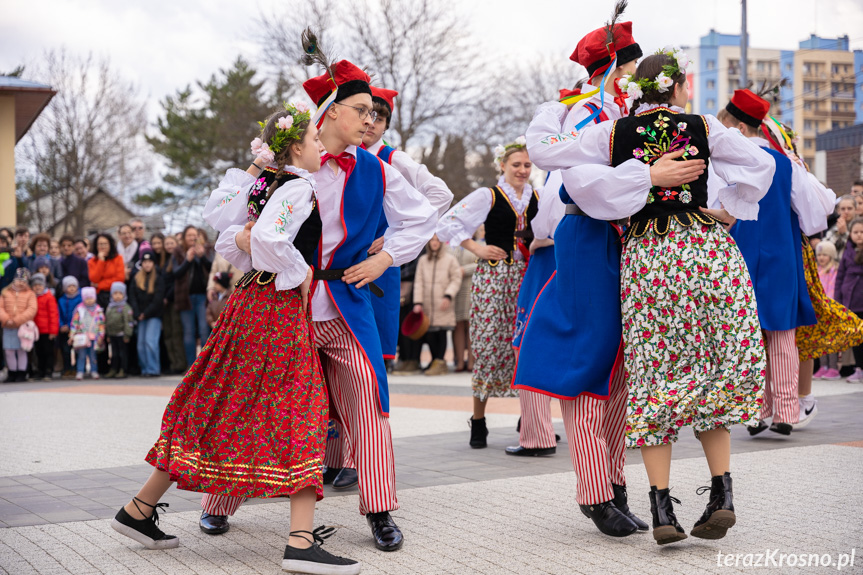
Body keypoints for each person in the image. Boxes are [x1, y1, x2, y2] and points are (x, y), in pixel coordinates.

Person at [111, 100, 361, 575]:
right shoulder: (301, 188)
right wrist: (301, 270)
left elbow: (229, 235)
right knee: (302, 410)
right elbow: (265, 242)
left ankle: (140, 509)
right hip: (275, 312)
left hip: (248, 303)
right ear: (294, 147)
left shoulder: (265, 182)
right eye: (312, 142)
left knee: (217, 403)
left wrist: (253, 245)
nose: (318, 150)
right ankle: (301, 543)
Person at [556, 49, 778, 544]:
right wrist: (726, 204)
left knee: (656, 376)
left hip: (650, 260)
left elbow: (562, 159)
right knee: (711, 371)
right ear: (679, 89)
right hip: (706, 253)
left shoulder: (612, 133)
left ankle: (661, 508)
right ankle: (722, 493)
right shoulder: (704, 125)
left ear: (635, 95)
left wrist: (633, 177)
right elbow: (760, 166)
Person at [513, 15, 720, 539]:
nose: (637, 82)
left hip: (638, 240)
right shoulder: (583, 113)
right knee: (587, 362)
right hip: (591, 237)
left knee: (625, 363)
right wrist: (648, 176)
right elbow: (582, 186)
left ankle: (615, 483)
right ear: (617, 69)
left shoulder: (633, 115)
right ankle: (596, 491)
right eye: (631, 69)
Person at [721, 89, 830, 437]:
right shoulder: (787, 164)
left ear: (738, 125)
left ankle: (756, 411)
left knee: (748, 335)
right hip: (782, 256)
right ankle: (786, 410)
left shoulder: (726, 162)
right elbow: (814, 218)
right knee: (783, 333)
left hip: (739, 256)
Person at [437, 136, 538, 448]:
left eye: (527, 165)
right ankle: (478, 420)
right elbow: (447, 223)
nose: (522, 170)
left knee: (527, 346)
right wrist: (475, 247)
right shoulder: (489, 195)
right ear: (503, 166)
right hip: (494, 279)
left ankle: (531, 421)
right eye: (516, 165)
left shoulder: (537, 195)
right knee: (488, 343)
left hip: (527, 277)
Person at [362, 85, 453, 364]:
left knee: (374, 354)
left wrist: (395, 234)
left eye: (379, 118)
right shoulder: (343, 154)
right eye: (366, 114)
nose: (371, 123)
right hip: (344, 260)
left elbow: (441, 194)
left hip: (381, 262)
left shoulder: (394, 159)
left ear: (386, 125)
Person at [411, 235, 462, 375]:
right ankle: (434, 361)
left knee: (442, 332)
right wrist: (418, 302)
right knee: (429, 333)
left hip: (443, 303)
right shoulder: (423, 260)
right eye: (432, 240)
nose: (434, 243)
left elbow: (456, 278)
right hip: (427, 304)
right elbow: (419, 282)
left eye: (437, 240)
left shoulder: (450, 260)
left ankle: (440, 361)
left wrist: (448, 295)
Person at [172, 225, 213, 366]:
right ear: (184, 238)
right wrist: (187, 260)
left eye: (194, 235)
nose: (192, 238)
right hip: (185, 297)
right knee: (188, 332)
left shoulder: (206, 249)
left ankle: (203, 365)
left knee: (203, 330)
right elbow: (176, 273)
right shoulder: (178, 251)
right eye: (189, 235)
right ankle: (191, 365)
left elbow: (211, 268)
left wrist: (201, 257)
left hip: (202, 296)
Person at [834, 218, 863, 384]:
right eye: (856, 232)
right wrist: (839, 299)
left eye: (862, 232)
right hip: (851, 301)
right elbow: (840, 277)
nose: (859, 236)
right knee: (857, 338)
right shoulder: (848, 251)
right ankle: (858, 368)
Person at [130, 250, 165, 377]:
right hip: (140, 316)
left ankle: (153, 369)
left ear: (153, 263)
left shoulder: (158, 278)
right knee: (141, 344)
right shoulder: (137, 278)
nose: (147, 264)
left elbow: (158, 299)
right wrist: (138, 313)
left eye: (150, 262)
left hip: (153, 316)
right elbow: (132, 296)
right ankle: (145, 369)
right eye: (145, 262)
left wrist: (146, 313)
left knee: (151, 342)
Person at [1, 268, 37, 382]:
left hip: (22, 327)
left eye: (24, 280)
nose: (21, 282)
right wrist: (6, 319)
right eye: (19, 280)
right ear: (14, 280)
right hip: (7, 326)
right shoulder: (5, 293)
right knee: (9, 350)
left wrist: (17, 320)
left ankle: (22, 373)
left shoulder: (30, 294)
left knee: (22, 350)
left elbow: (32, 309)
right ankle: (12, 372)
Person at [451, 230, 479, 372]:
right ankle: (460, 361)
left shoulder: (479, 243)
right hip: (455, 287)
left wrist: (463, 270)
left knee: (471, 324)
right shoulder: (453, 244)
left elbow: (481, 263)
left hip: (472, 287)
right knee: (458, 325)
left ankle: (472, 362)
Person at [814, 241, 841, 380]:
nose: (821, 257)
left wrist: (828, 306)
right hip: (818, 310)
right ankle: (823, 366)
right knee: (821, 340)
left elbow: (832, 289)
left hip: (829, 310)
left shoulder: (834, 270)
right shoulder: (817, 269)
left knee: (831, 339)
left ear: (831, 255)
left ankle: (833, 368)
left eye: (825, 254)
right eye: (819, 255)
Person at [160, 234, 186, 375]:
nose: (169, 246)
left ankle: (180, 363)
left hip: (174, 300)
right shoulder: (165, 261)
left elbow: (176, 282)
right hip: (165, 302)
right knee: (168, 333)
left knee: (176, 333)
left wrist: (167, 297)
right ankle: (173, 362)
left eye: (171, 243)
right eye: (167, 244)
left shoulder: (177, 259)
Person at [69, 287, 104, 380]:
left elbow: (101, 324)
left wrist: (101, 336)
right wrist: (72, 335)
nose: (89, 300)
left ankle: (94, 371)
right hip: (82, 337)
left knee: (93, 355)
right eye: (87, 298)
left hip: (94, 337)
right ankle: (80, 371)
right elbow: (74, 323)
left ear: (95, 298)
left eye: (91, 298)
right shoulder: (79, 309)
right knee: (81, 355)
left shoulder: (98, 310)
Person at [30, 273, 59, 380]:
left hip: (47, 330)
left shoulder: (49, 297)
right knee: (39, 352)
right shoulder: (32, 298)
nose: (38, 288)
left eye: (40, 285)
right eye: (35, 286)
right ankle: (40, 370)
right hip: (36, 331)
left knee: (48, 352)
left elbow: (53, 315)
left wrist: (53, 331)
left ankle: (48, 371)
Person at [105, 282, 134, 379]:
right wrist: (108, 334)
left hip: (122, 335)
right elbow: (107, 321)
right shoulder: (109, 307)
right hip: (112, 335)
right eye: (115, 293)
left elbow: (128, 322)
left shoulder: (125, 307)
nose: (117, 296)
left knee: (122, 353)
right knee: (114, 354)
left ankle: (123, 369)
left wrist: (127, 335)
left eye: (120, 293)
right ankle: (113, 369)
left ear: (124, 294)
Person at [57, 276, 82, 378]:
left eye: (73, 286)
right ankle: (66, 368)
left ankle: (76, 368)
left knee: (77, 350)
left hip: (76, 329)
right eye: (69, 286)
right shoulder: (61, 300)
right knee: (66, 350)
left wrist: (73, 327)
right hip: (64, 329)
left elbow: (80, 314)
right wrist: (61, 325)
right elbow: (58, 314)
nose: (71, 288)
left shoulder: (80, 298)